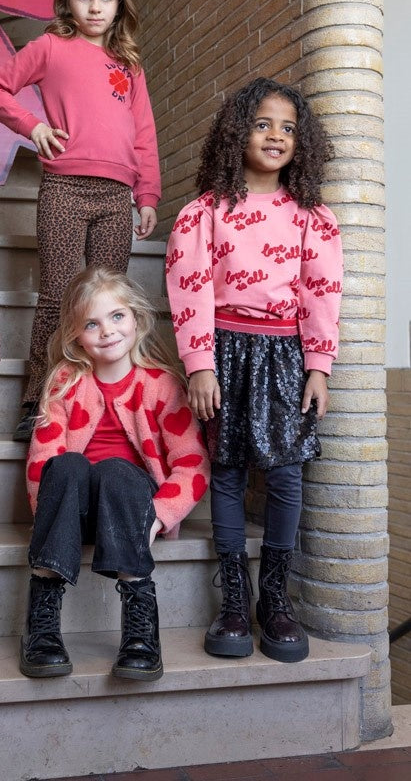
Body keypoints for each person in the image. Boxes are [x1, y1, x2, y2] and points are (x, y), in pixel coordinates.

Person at [166, 77, 343, 664]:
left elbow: (321, 294)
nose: (275, 136)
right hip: (224, 351)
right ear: (237, 132)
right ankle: (235, 602)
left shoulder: (313, 217)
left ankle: (275, 599)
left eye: (288, 128)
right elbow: (189, 291)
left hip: (286, 353)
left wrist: (318, 367)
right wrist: (200, 365)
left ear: (301, 141)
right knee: (228, 471)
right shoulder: (204, 213)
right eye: (262, 123)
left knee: (287, 475)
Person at [0, 0, 161, 441]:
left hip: (117, 198)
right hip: (64, 189)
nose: (96, 7)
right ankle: (38, 400)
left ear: (120, 4)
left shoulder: (129, 65)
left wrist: (148, 195)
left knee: (108, 303)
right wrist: (33, 126)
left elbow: (144, 134)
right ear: (67, 0)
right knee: (60, 294)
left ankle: (100, 402)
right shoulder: (50, 47)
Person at [19, 266, 210, 680]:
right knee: (65, 465)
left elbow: (192, 464)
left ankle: (140, 629)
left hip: (130, 511)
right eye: (92, 323)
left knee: (116, 471)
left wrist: (158, 517)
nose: (107, 331)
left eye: (117, 316)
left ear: (137, 319)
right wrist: (50, 515)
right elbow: (40, 461)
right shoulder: (65, 381)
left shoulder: (162, 384)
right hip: (73, 511)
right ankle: (42, 625)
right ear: (76, 336)